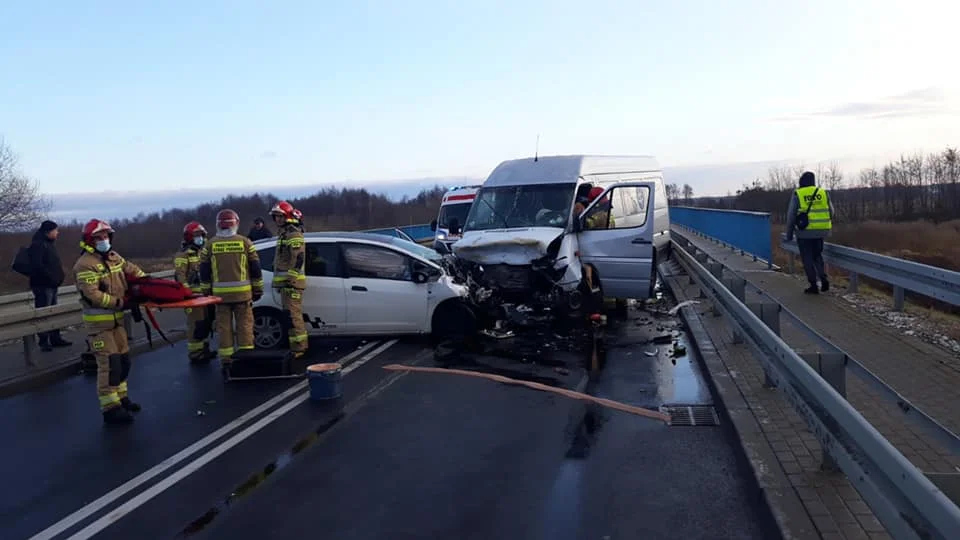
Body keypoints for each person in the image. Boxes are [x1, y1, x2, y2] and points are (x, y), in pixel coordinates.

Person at [73, 219, 147, 424]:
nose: (104, 240)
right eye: (99, 238)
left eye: (106, 236)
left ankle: (121, 398)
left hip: (117, 322)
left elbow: (133, 271)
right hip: (99, 325)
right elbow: (92, 295)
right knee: (109, 365)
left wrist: (149, 285)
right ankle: (110, 408)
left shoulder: (114, 257)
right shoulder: (85, 265)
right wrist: (120, 303)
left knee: (123, 362)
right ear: (89, 240)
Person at [200, 209, 264, 373]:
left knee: (224, 329)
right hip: (243, 295)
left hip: (220, 297)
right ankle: (247, 359)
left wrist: (206, 292)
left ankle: (227, 361)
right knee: (245, 327)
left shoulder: (210, 245)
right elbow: (255, 269)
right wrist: (257, 289)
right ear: (236, 223)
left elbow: (205, 271)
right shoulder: (245, 242)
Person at [269, 201, 308, 358]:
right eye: (275, 217)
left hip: (292, 284)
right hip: (286, 284)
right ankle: (295, 346)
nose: (277, 220)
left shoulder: (293, 234)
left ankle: (300, 347)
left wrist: (291, 279)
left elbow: (298, 258)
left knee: (294, 315)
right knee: (289, 316)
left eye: (280, 216)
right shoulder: (284, 234)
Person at [785, 171, 834, 294]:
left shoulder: (798, 193)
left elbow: (791, 216)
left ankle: (813, 285)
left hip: (804, 232)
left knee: (807, 258)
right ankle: (823, 278)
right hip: (821, 231)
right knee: (817, 255)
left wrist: (789, 234)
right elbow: (832, 212)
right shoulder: (822, 192)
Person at [175, 221, 216, 363]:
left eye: (201, 235)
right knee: (195, 325)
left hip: (205, 296)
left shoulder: (203, 252)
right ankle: (195, 353)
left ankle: (204, 349)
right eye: (196, 235)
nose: (200, 238)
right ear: (189, 237)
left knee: (205, 323)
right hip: (192, 297)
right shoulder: (183, 255)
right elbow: (180, 276)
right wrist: (187, 293)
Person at [28, 220, 71, 351]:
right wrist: (51, 277)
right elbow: (38, 266)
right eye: (55, 230)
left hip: (51, 284)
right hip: (43, 285)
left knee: (53, 312)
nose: (57, 233)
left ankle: (55, 338)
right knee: (44, 312)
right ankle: (44, 341)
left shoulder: (49, 244)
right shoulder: (38, 245)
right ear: (48, 231)